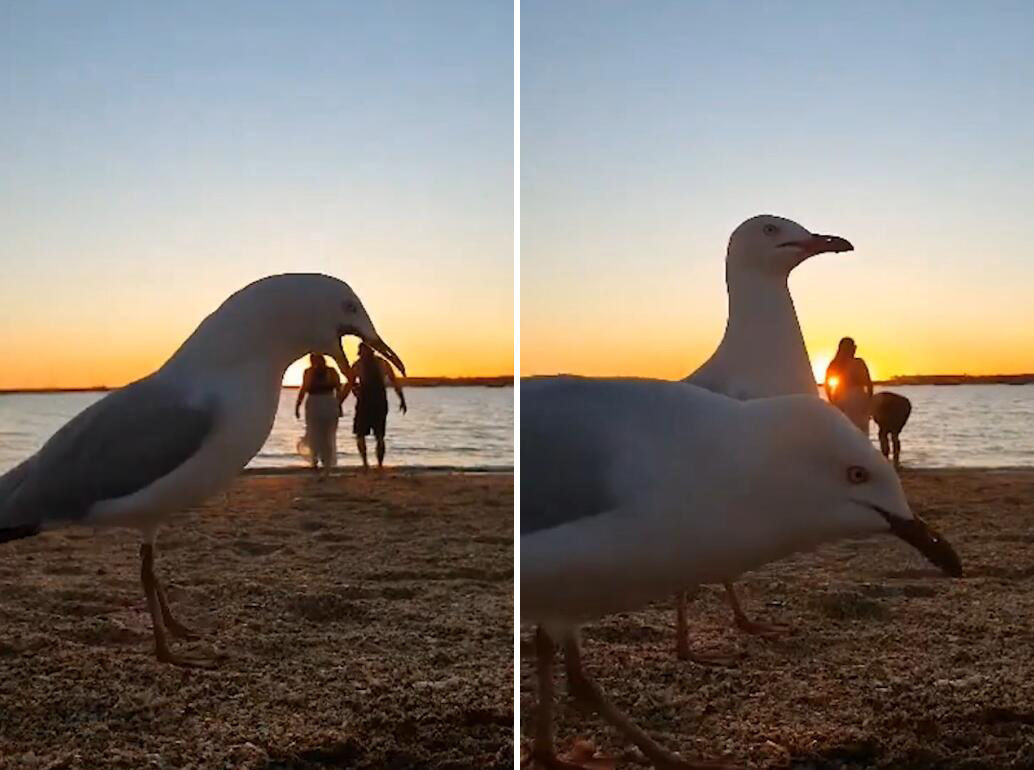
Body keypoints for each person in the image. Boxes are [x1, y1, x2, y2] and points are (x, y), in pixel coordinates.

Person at [342, 342, 406, 468]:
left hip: (376, 401)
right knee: (361, 435)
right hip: (368, 401)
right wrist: (340, 401)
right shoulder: (361, 365)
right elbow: (349, 385)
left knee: (379, 435)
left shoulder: (378, 364)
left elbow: (394, 381)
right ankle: (365, 463)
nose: (361, 355)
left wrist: (402, 399)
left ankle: (379, 464)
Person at [295, 353, 344, 475]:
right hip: (314, 403)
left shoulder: (331, 372)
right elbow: (304, 388)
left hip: (328, 403)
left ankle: (327, 464)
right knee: (314, 433)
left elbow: (339, 389)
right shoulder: (308, 372)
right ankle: (315, 461)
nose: (314, 362)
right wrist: (297, 405)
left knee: (328, 434)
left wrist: (339, 404)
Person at [824, 337, 873, 433]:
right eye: (854, 347)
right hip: (857, 398)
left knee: (846, 429)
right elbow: (869, 383)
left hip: (842, 398)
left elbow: (827, 386)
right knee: (859, 430)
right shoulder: (858, 363)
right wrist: (869, 401)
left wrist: (832, 401)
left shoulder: (835, 363)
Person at [872, 391, 912, 469]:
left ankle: (889, 460)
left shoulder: (874, 402)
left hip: (900, 406)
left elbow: (877, 418)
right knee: (893, 434)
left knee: (885, 434)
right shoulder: (875, 400)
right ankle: (893, 460)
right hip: (903, 405)